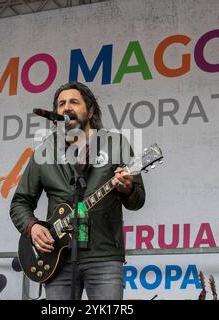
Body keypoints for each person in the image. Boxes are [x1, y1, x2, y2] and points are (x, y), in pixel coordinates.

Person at [10, 81, 146, 300]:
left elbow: (137, 200)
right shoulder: (45, 151)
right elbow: (20, 203)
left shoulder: (115, 143)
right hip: (56, 259)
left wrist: (127, 188)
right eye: (61, 104)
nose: (66, 107)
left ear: (90, 110)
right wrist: (32, 227)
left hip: (103, 256)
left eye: (74, 101)